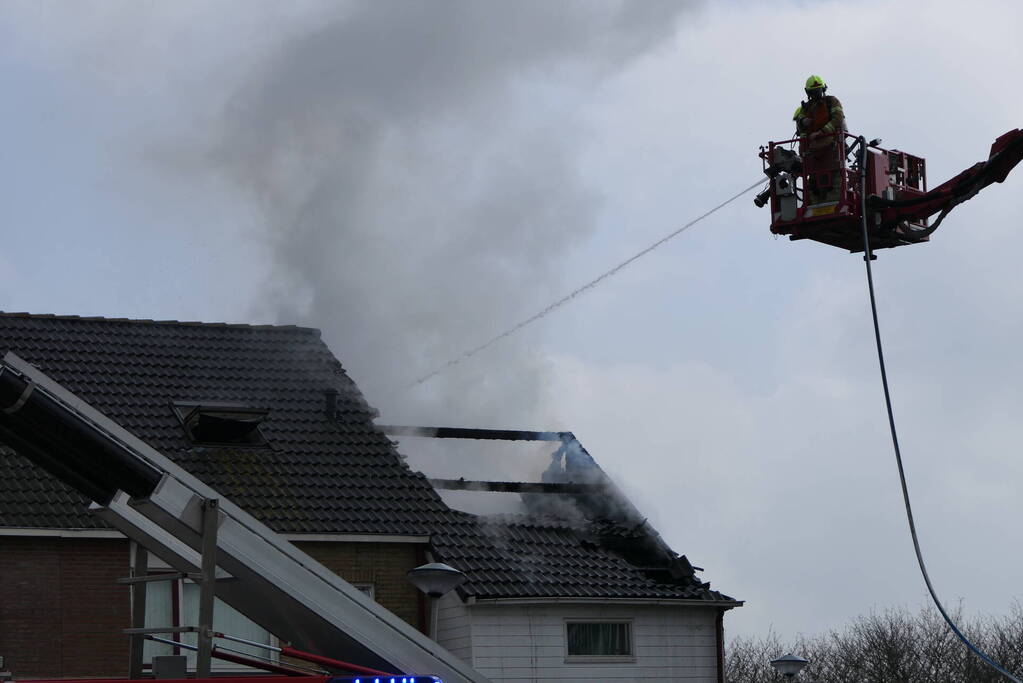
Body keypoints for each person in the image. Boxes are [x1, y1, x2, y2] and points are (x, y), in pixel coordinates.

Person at [792, 75, 846, 205]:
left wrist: (821, 132)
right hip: (812, 154)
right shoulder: (806, 108)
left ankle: (834, 205)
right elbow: (800, 128)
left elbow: (837, 119)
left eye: (818, 91)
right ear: (808, 92)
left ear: (823, 89)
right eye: (813, 92)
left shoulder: (832, 101)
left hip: (832, 150)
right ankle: (816, 206)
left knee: (834, 183)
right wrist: (803, 121)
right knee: (814, 187)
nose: (816, 94)